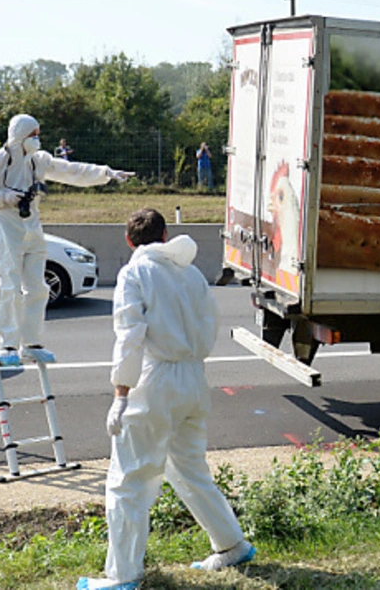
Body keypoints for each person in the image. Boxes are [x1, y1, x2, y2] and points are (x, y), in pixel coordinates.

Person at [78, 208, 253, 590]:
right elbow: (211, 324)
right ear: (165, 235)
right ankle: (231, 544)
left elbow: (129, 335)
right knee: (189, 469)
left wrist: (121, 393)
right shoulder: (190, 273)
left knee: (129, 479)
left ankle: (123, 575)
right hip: (194, 378)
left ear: (129, 241)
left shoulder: (135, 273)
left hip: (155, 380)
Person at [0, 114, 134, 367]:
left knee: (38, 287)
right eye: (32, 134)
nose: (37, 139)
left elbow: (72, 171)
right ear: (19, 135)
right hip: (7, 225)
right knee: (11, 285)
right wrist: (4, 197)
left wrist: (106, 173)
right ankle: (8, 344)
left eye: (37, 134)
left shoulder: (39, 160)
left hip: (32, 225)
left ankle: (31, 343)